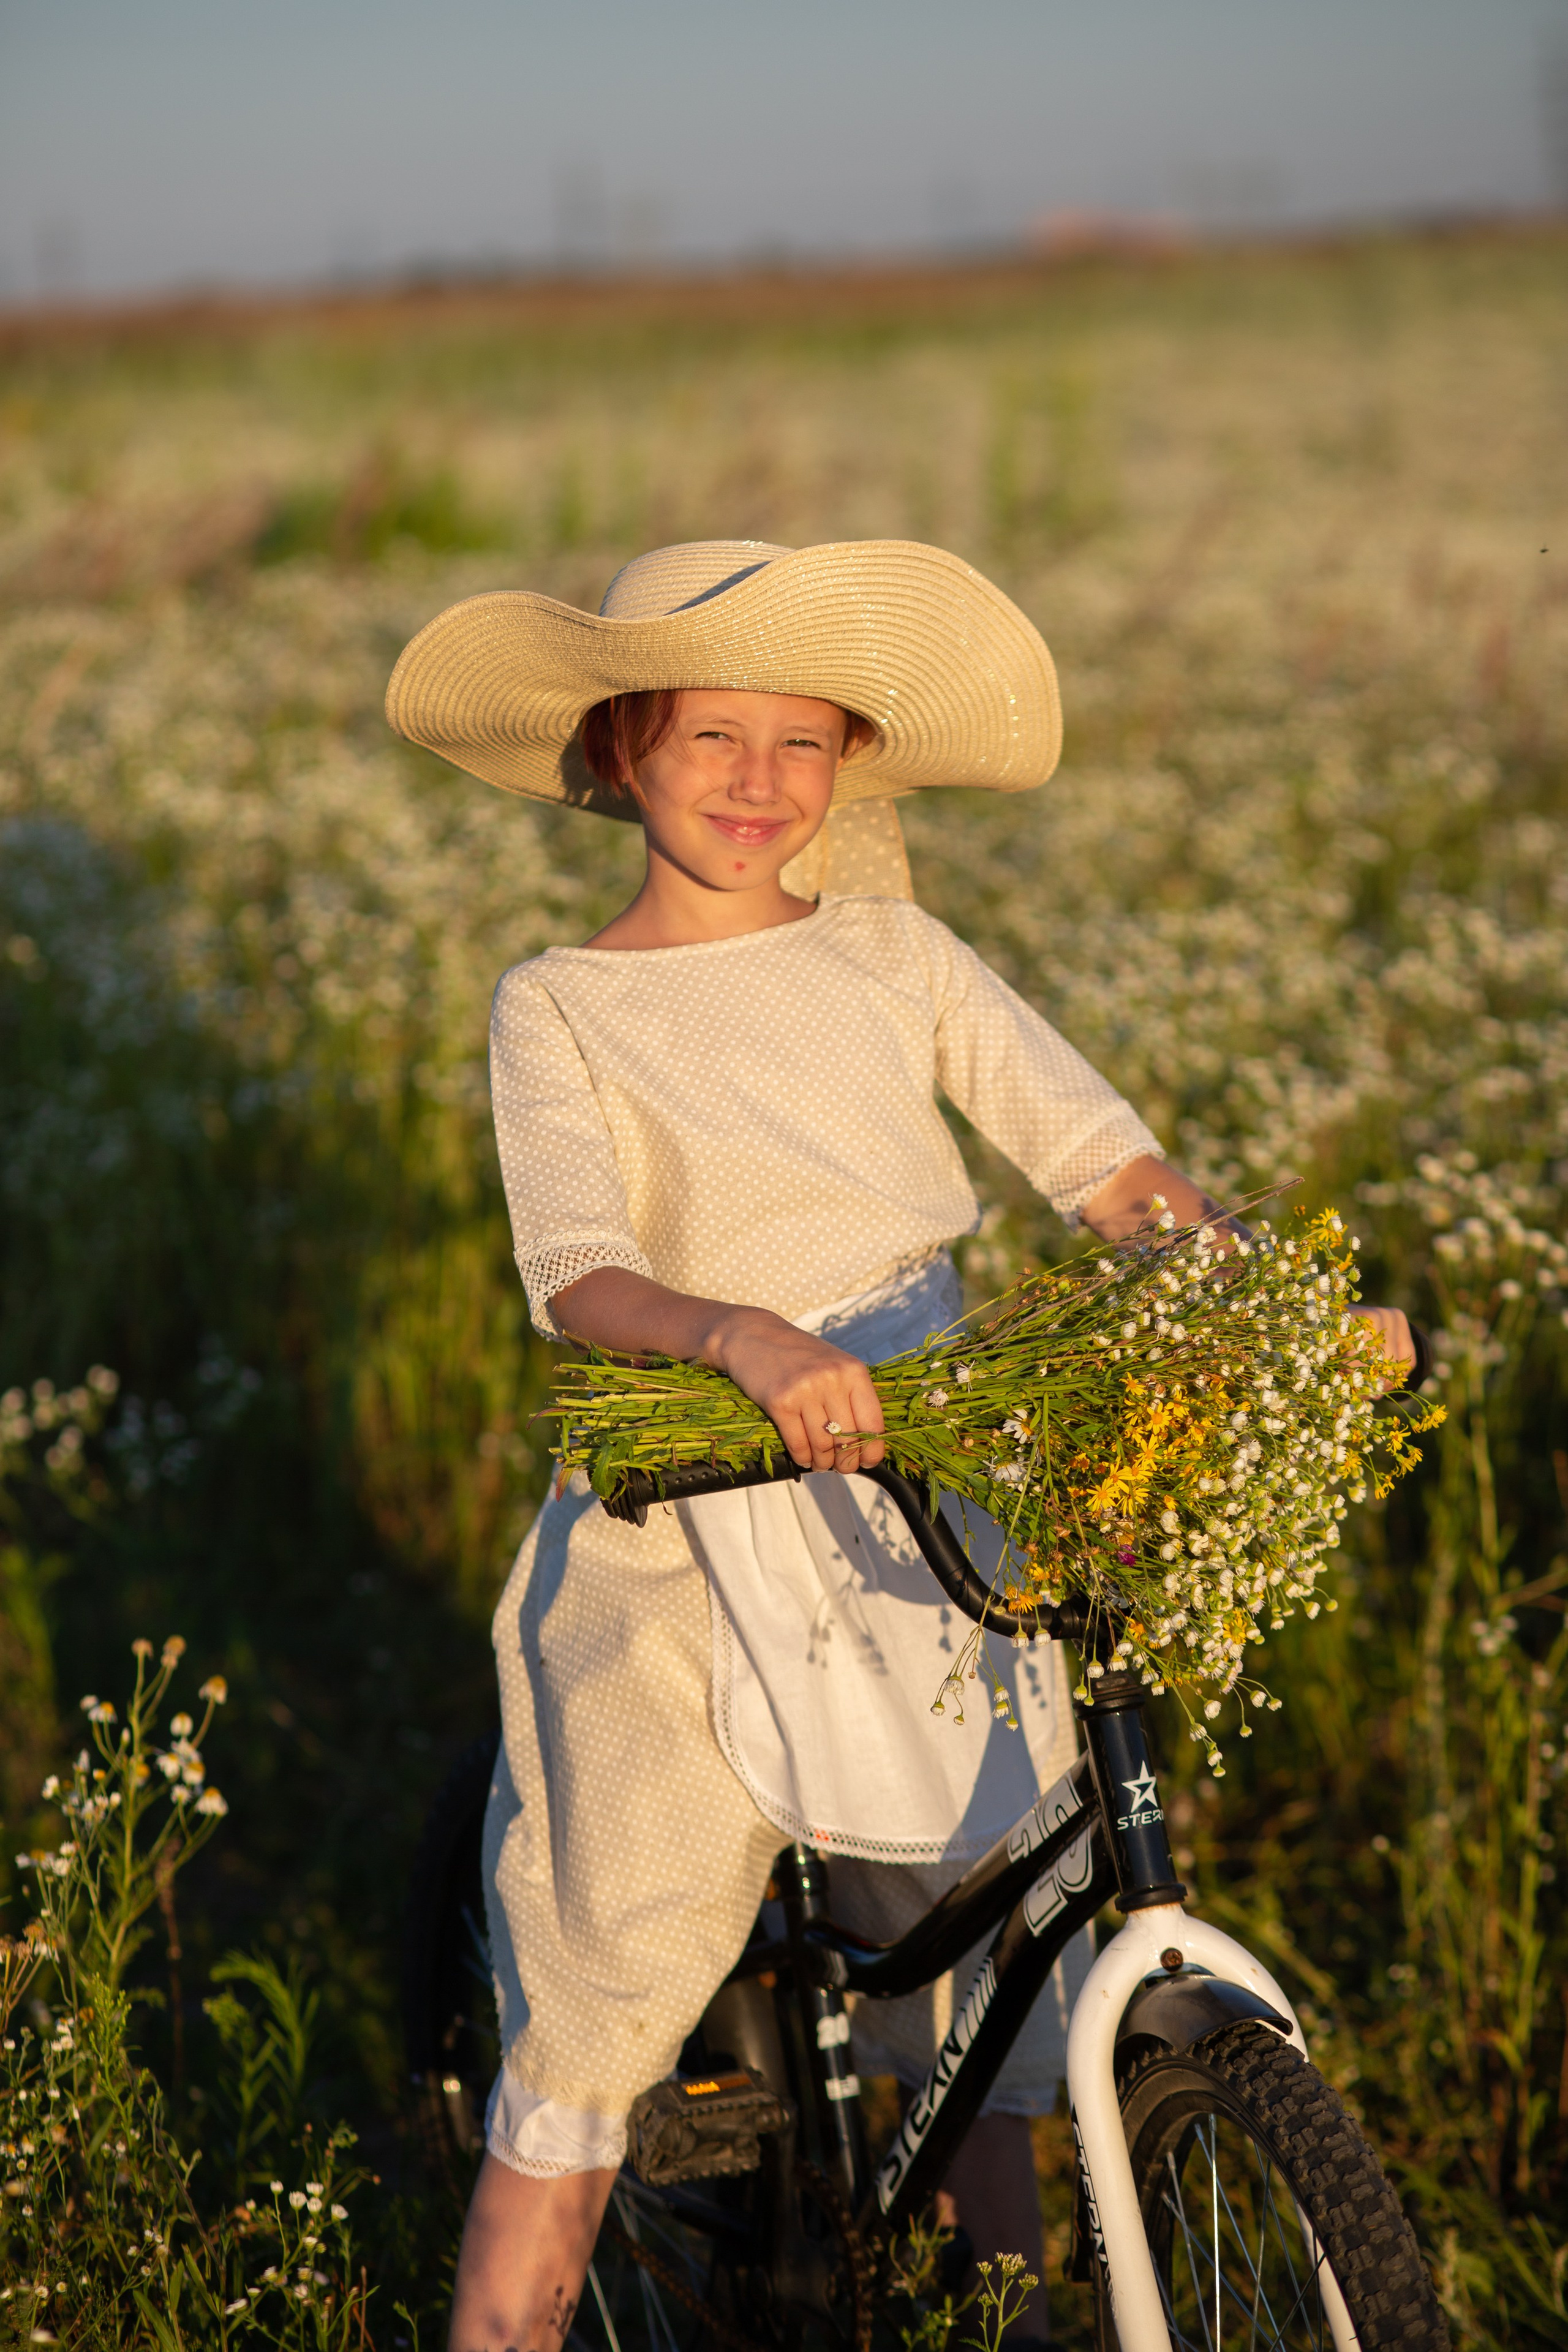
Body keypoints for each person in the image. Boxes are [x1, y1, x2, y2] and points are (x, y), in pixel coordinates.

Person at [386, 540, 1414, 2352]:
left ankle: (996, 2314)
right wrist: (736, 1334)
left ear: (849, 764)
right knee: (610, 1983)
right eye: (712, 735)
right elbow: (578, 1270)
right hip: (695, 1502)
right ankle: (511, 2315)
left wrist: (1263, 1299)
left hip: (925, 1488)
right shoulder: (561, 999)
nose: (758, 779)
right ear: (623, 747)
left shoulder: (893, 949)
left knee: (986, 1967)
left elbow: (1103, 1165)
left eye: (802, 741)